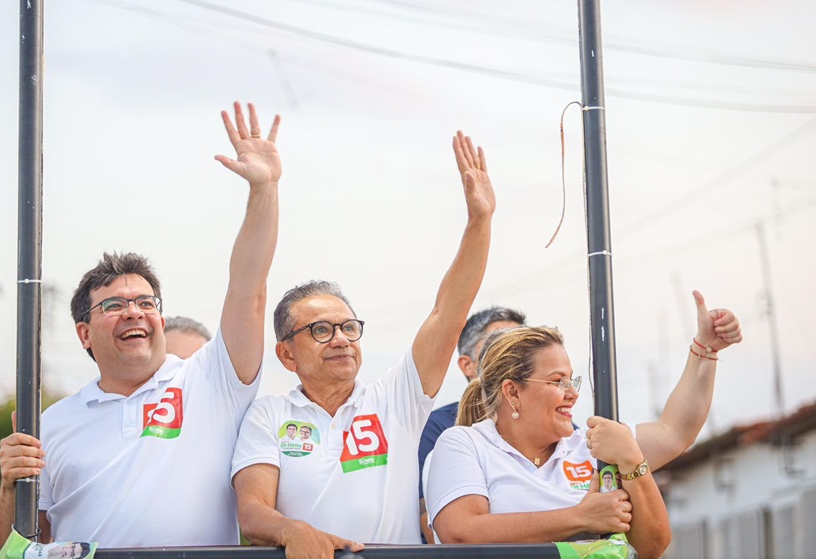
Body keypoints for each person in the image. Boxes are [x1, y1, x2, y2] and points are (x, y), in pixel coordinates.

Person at [0, 102, 282, 548]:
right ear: (84, 333)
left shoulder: (211, 383)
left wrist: (264, 190)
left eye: (145, 302)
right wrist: (11, 484)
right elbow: (15, 548)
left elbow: (249, 287)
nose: (133, 312)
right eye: (113, 305)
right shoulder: (52, 423)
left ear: (160, 319)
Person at [231, 130, 496, 557]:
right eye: (321, 330)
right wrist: (291, 531)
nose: (340, 339)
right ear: (286, 353)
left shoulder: (396, 401)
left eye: (349, 327)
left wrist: (479, 221)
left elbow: (448, 314)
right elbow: (252, 510)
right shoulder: (269, 415)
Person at [426, 292, 742, 559]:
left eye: (571, 379)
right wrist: (580, 517)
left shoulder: (593, 445)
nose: (573, 393)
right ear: (512, 392)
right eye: (557, 381)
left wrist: (705, 350)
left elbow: (652, 545)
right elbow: (461, 532)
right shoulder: (463, 443)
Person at [417, 306, 525, 543]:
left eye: (523, 348)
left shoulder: (564, 432)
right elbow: (434, 527)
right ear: (467, 365)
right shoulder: (436, 428)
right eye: (499, 346)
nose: (516, 358)